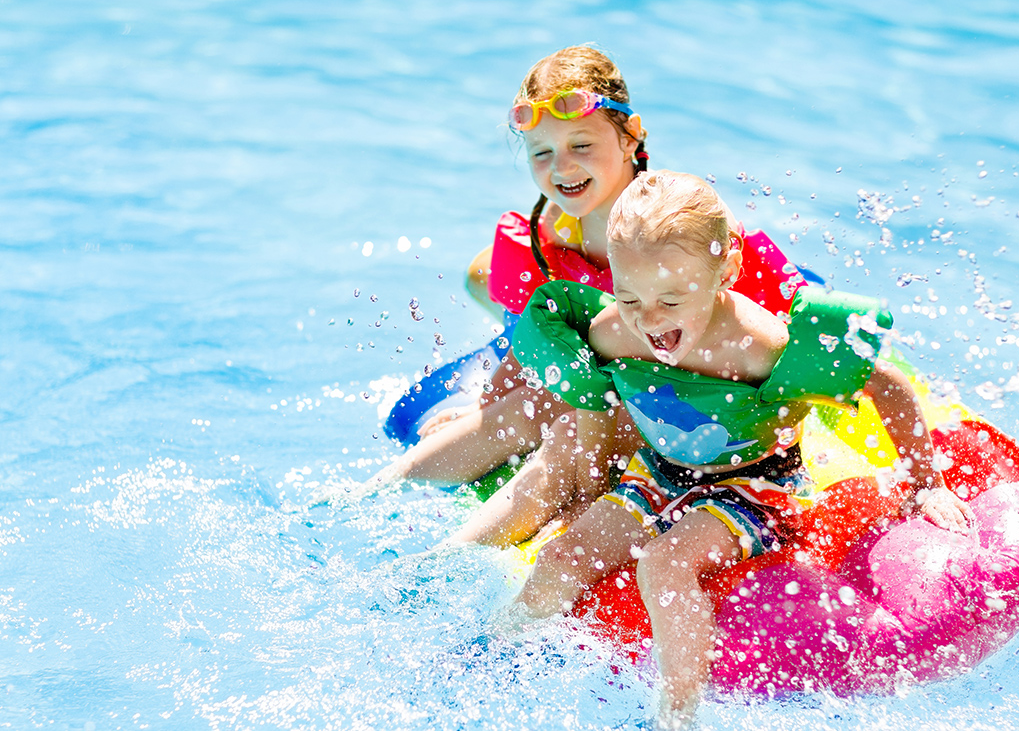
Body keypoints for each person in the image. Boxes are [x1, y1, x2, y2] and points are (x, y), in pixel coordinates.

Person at [508, 171, 973, 729]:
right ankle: (496, 659)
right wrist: (592, 485)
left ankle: (676, 715)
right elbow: (602, 403)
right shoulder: (613, 331)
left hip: (754, 485)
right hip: (656, 473)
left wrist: (925, 485)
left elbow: (887, 385)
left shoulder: (759, 345)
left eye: (670, 299)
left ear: (725, 271)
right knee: (562, 557)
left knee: (665, 564)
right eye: (629, 295)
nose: (649, 320)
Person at [326, 46, 807, 546]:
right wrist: (484, 404)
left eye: (581, 145)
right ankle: (370, 497)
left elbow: (787, 317)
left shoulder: (681, 229)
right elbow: (537, 339)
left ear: (630, 136)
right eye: (541, 152)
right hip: (603, 381)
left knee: (562, 428)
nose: (562, 167)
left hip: (678, 397)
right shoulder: (550, 237)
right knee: (523, 404)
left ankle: (466, 550)